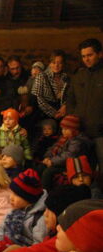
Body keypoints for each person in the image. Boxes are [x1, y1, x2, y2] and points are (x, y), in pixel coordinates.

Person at [67, 38, 103, 191]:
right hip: (82, 133)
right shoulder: (79, 76)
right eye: (83, 56)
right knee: (82, 172)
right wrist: (72, 120)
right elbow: (71, 100)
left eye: (90, 55)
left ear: (99, 54)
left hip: (101, 132)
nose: (86, 59)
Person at [0, 169, 47, 252]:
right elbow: (1, 231)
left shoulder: (39, 218)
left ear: (29, 198)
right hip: (3, 250)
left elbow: (38, 248)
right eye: (11, 193)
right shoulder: (13, 210)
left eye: (17, 195)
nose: (11, 198)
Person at [39, 115, 92, 190]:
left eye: (66, 129)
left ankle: (45, 192)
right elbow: (54, 148)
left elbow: (69, 155)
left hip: (71, 165)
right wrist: (47, 157)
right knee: (41, 167)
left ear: (74, 130)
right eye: (62, 129)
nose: (63, 131)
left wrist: (52, 161)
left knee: (48, 172)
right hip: (61, 162)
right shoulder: (66, 138)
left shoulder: (77, 141)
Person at [32, 50, 69, 120]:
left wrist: (65, 106)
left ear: (63, 64)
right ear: (50, 63)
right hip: (45, 115)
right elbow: (38, 98)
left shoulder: (66, 77)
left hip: (63, 113)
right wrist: (54, 113)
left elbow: (69, 95)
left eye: (60, 63)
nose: (56, 66)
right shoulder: (42, 76)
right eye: (53, 62)